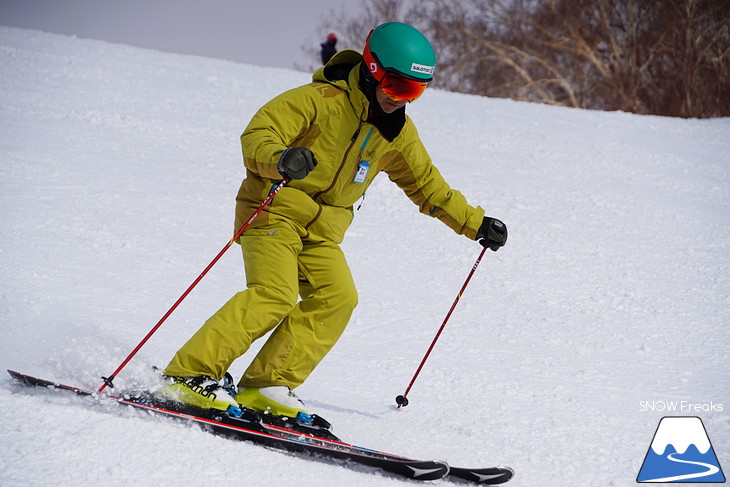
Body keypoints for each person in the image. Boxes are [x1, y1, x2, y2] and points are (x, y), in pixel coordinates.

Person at [160, 22, 508, 421]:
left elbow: (429, 188)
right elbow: (259, 133)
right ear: (373, 69)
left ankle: (267, 384)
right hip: (273, 211)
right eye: (396, 86)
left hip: (322, 233)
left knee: (338, 297)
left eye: (413, 92)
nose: (401, 100)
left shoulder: (396, 134)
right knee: (274, 294)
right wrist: (279, 159)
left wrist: (476, 223)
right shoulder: (318, 101)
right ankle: (187, 375)